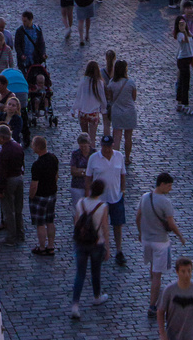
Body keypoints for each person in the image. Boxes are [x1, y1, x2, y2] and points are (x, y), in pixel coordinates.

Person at [136, 173, 186, 317]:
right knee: (158, 275)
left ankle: (154, 289)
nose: (170, 189)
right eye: (169, 186)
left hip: (147, 241)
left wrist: (141, 233)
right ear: (162, 184)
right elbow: (171, 223)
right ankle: (152, 305)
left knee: (153, 268)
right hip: (160, 242)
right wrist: (180, 235)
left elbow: (138, 217)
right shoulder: (165, 202)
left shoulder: (145, 197)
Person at [70, 177, 110, 320]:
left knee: (80, 274)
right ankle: (97, 296)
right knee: (95, 271)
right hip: (96, 243)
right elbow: (105, 227)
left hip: (80, 243)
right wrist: (108, 248)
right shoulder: (103, 206)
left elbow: (76, 222)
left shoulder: (81, 203)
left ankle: (75, 305)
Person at [85, 135, 127, 265]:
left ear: (112, 145)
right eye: (104, 146)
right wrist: (88, 195)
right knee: (98, 225)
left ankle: (119, 250)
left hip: (116, 197)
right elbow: (88, 177)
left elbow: (123, 174)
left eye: (109, 146)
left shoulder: (119, 156)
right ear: (101, 145)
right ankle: (100, 248)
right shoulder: (94, 158)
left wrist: (123, 190)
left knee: (117, 224)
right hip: (99, 199)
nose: (107, 149)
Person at [157, 257, 193, 340]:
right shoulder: (169, 291)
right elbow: (160, 311)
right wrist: (162, 333)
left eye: (189, 271)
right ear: (177, 272)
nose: (186, 275)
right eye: (183, 271)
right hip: (173, 334)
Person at [0, 123, 25, 245]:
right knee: (18, 209)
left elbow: (2, 173)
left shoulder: (4, 151)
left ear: (2, 137)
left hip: (9, 181)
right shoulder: (18, 146)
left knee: (9, 211)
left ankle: (11, 237)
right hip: (19, 178)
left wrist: (0, 191)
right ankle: (20, 234)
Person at [29, 135, 59, 256]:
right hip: (52, 194)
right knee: (50, 221)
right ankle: (51, 246)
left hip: (40, 196)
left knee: (40, 223)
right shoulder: (53, 158)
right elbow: (56, 176)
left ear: (37, 147)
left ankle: (42, 247)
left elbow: (34, 185)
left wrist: (31, 196)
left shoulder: (37, 165)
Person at [72, 62, 108, 146]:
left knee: (84, 138)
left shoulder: (83, 80)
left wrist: (73, 109)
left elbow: (78, 96)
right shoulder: (99, 82)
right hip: (93, 113)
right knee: (92, 139)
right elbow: (102, 97)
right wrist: (104, 109)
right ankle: (91, 155)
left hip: (83, 113)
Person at [109, 60, 137, 163]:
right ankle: (127, 158)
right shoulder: (130, 83)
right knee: (128, 137)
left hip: (117, 112)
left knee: (116, 137)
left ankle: (116, 158)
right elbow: (134, 98)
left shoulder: (112, 82)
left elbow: (111, 98)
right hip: (129, 112)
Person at [70, 132, 92, 212]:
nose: (82, 148)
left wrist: (81, 171)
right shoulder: (76, 154)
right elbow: (73, 171)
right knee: (78, 210)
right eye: (81, 146)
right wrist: (87, 172)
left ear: (89, 144)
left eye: (85, 146)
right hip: (77, 186)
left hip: (91, 186)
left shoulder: (94, 154)